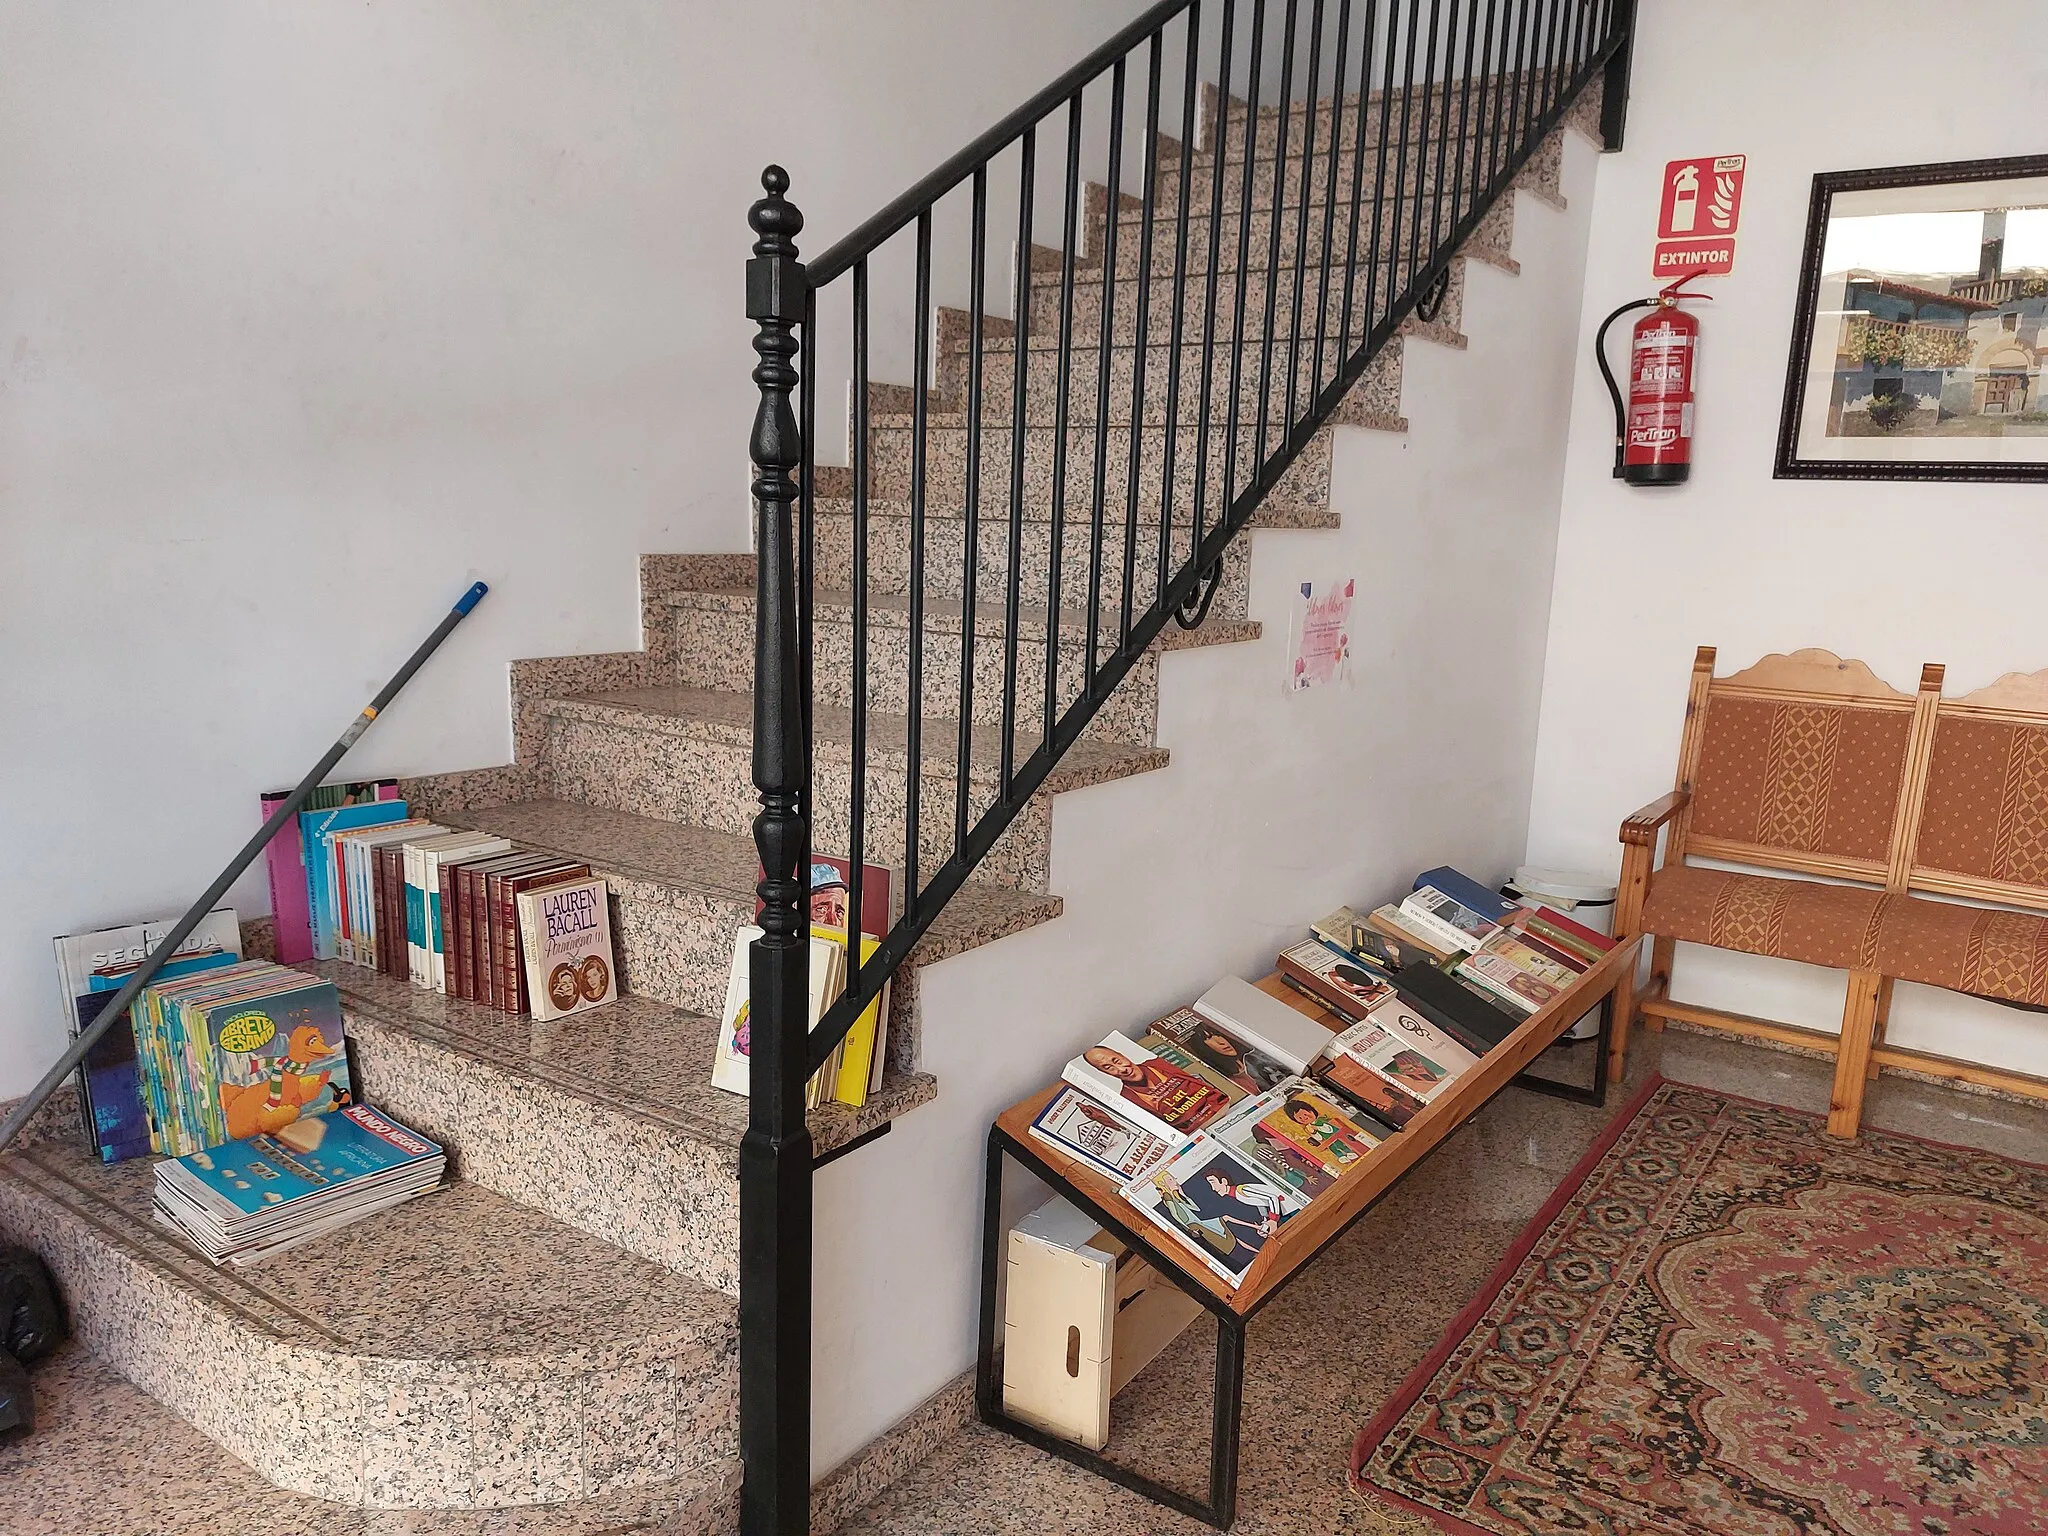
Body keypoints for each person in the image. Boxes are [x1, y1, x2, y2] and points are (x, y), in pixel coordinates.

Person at [1083, 1045, 1228, 1129]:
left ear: (1123, 1055)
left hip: (1221, 1106)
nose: (1121, 1069)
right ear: (1103, 1072)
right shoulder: (1127, 1098)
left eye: (1117, 1061)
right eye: (1109, 1067)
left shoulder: (1159, 1063)